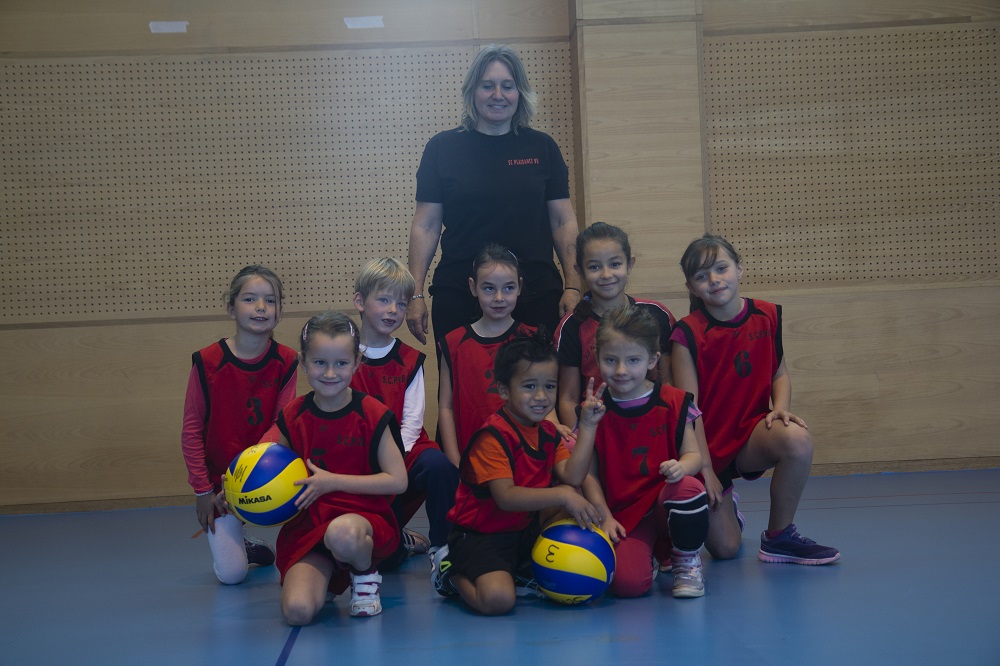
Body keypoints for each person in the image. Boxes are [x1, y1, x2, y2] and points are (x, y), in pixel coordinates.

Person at [670, 234, 840, 565]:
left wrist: (780, 410)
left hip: (749, 435)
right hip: (707, 445)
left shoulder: (767, 315)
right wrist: (705, 468)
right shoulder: (687, 334)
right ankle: (725, 503)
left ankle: (779, 537)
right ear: (691, 287)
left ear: (740, 268)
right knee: (725, 550)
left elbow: (780, 374)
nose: (714, 279)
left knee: (797, 439)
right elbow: (689, 411)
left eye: (721, 268)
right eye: (702, 276)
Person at [406, 44, 582, 346]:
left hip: (536, 294)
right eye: (487, 85)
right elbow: (426, 225)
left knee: (537, 378)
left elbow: (562, 222)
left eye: (507, 86)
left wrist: (574, 286)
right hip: (461, 294)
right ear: (472, 92)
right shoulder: (442, 149)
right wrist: (415, 294)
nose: (497, 95)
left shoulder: (543, 148)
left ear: (520, 92)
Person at [431, 330, 599, 615]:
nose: (541, 396)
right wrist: (562, 495)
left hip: (522, 530)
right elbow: (506, 497)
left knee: (571, 496)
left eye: (549, 386)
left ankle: (520, 570)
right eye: (529, 386)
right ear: (504, 391)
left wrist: (589, 426)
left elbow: (572, 476)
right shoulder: (493, 436)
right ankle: (450, 572)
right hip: (480, 536)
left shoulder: (547, 432)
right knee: (499, 600)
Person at [274, 311, 408, 623]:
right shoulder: (293, 415)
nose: (331, 373)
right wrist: (242, 494)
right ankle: (332, 575)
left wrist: (332, 482)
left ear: (357, 362)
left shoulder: (373, 414)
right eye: (320, 362)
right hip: (310, 529)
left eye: (342, 363)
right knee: (297, 612)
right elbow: (279, 478)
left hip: (361, 523)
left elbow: (398, 480)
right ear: (303, 362)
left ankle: (364, 574)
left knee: (343, 534)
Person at [567, 304, 708, 599]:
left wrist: (682, 467)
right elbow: (588, 475)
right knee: (627, 586)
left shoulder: (674, 401)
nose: (621, 370)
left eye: (633, 360)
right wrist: (605, 516)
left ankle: (685, 559)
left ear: (652, 359)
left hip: (665, 500)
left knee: (689, 487)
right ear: (598, 357)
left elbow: (694, 457)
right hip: (628, 514)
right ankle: (655, 553)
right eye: (611, 360)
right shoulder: (593, 410)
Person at [180, 265, 298, 585]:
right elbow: (191, 430)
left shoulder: (287, 360)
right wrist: (203, 491)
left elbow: (281, 422)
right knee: (232, 575)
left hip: (265, 472)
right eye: (249, 299)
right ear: (231, 308)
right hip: (219, 487)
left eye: (270, 300)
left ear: (279, 311)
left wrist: (247, 473)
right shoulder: (207, 361)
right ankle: (243, 544)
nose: (261, 307)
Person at [349, 257, 459, 569]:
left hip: (405, 451)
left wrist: (392, 461)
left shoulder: (410, 359)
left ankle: (442, 548)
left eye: (400, 304)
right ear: (360, 302)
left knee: (439, 466)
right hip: (360, 456)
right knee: (385, 560)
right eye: (384, 300)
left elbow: (412, 422)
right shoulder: (344, 356)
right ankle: (397, 539)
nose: (393, 311)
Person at [555, 222, 675, 429]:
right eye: (594, 267)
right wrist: (583, 439)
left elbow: (668, 383)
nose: (606, 274)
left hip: (654, 428)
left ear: (630, 264)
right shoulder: (571, 326)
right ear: (579, 271)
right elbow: (568, 399)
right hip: (597, 429)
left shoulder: (658, 314)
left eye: (615, 264)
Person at [437, 244, 540, 467]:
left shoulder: (534, 339)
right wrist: (455, 461)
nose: (499, 297)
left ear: (520, 287)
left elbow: (543, 397)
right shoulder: (453, 343)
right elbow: (445, 407)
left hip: (525, 461)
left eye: (508, 288)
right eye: (489, 288)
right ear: (473, 287)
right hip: (472, 461)